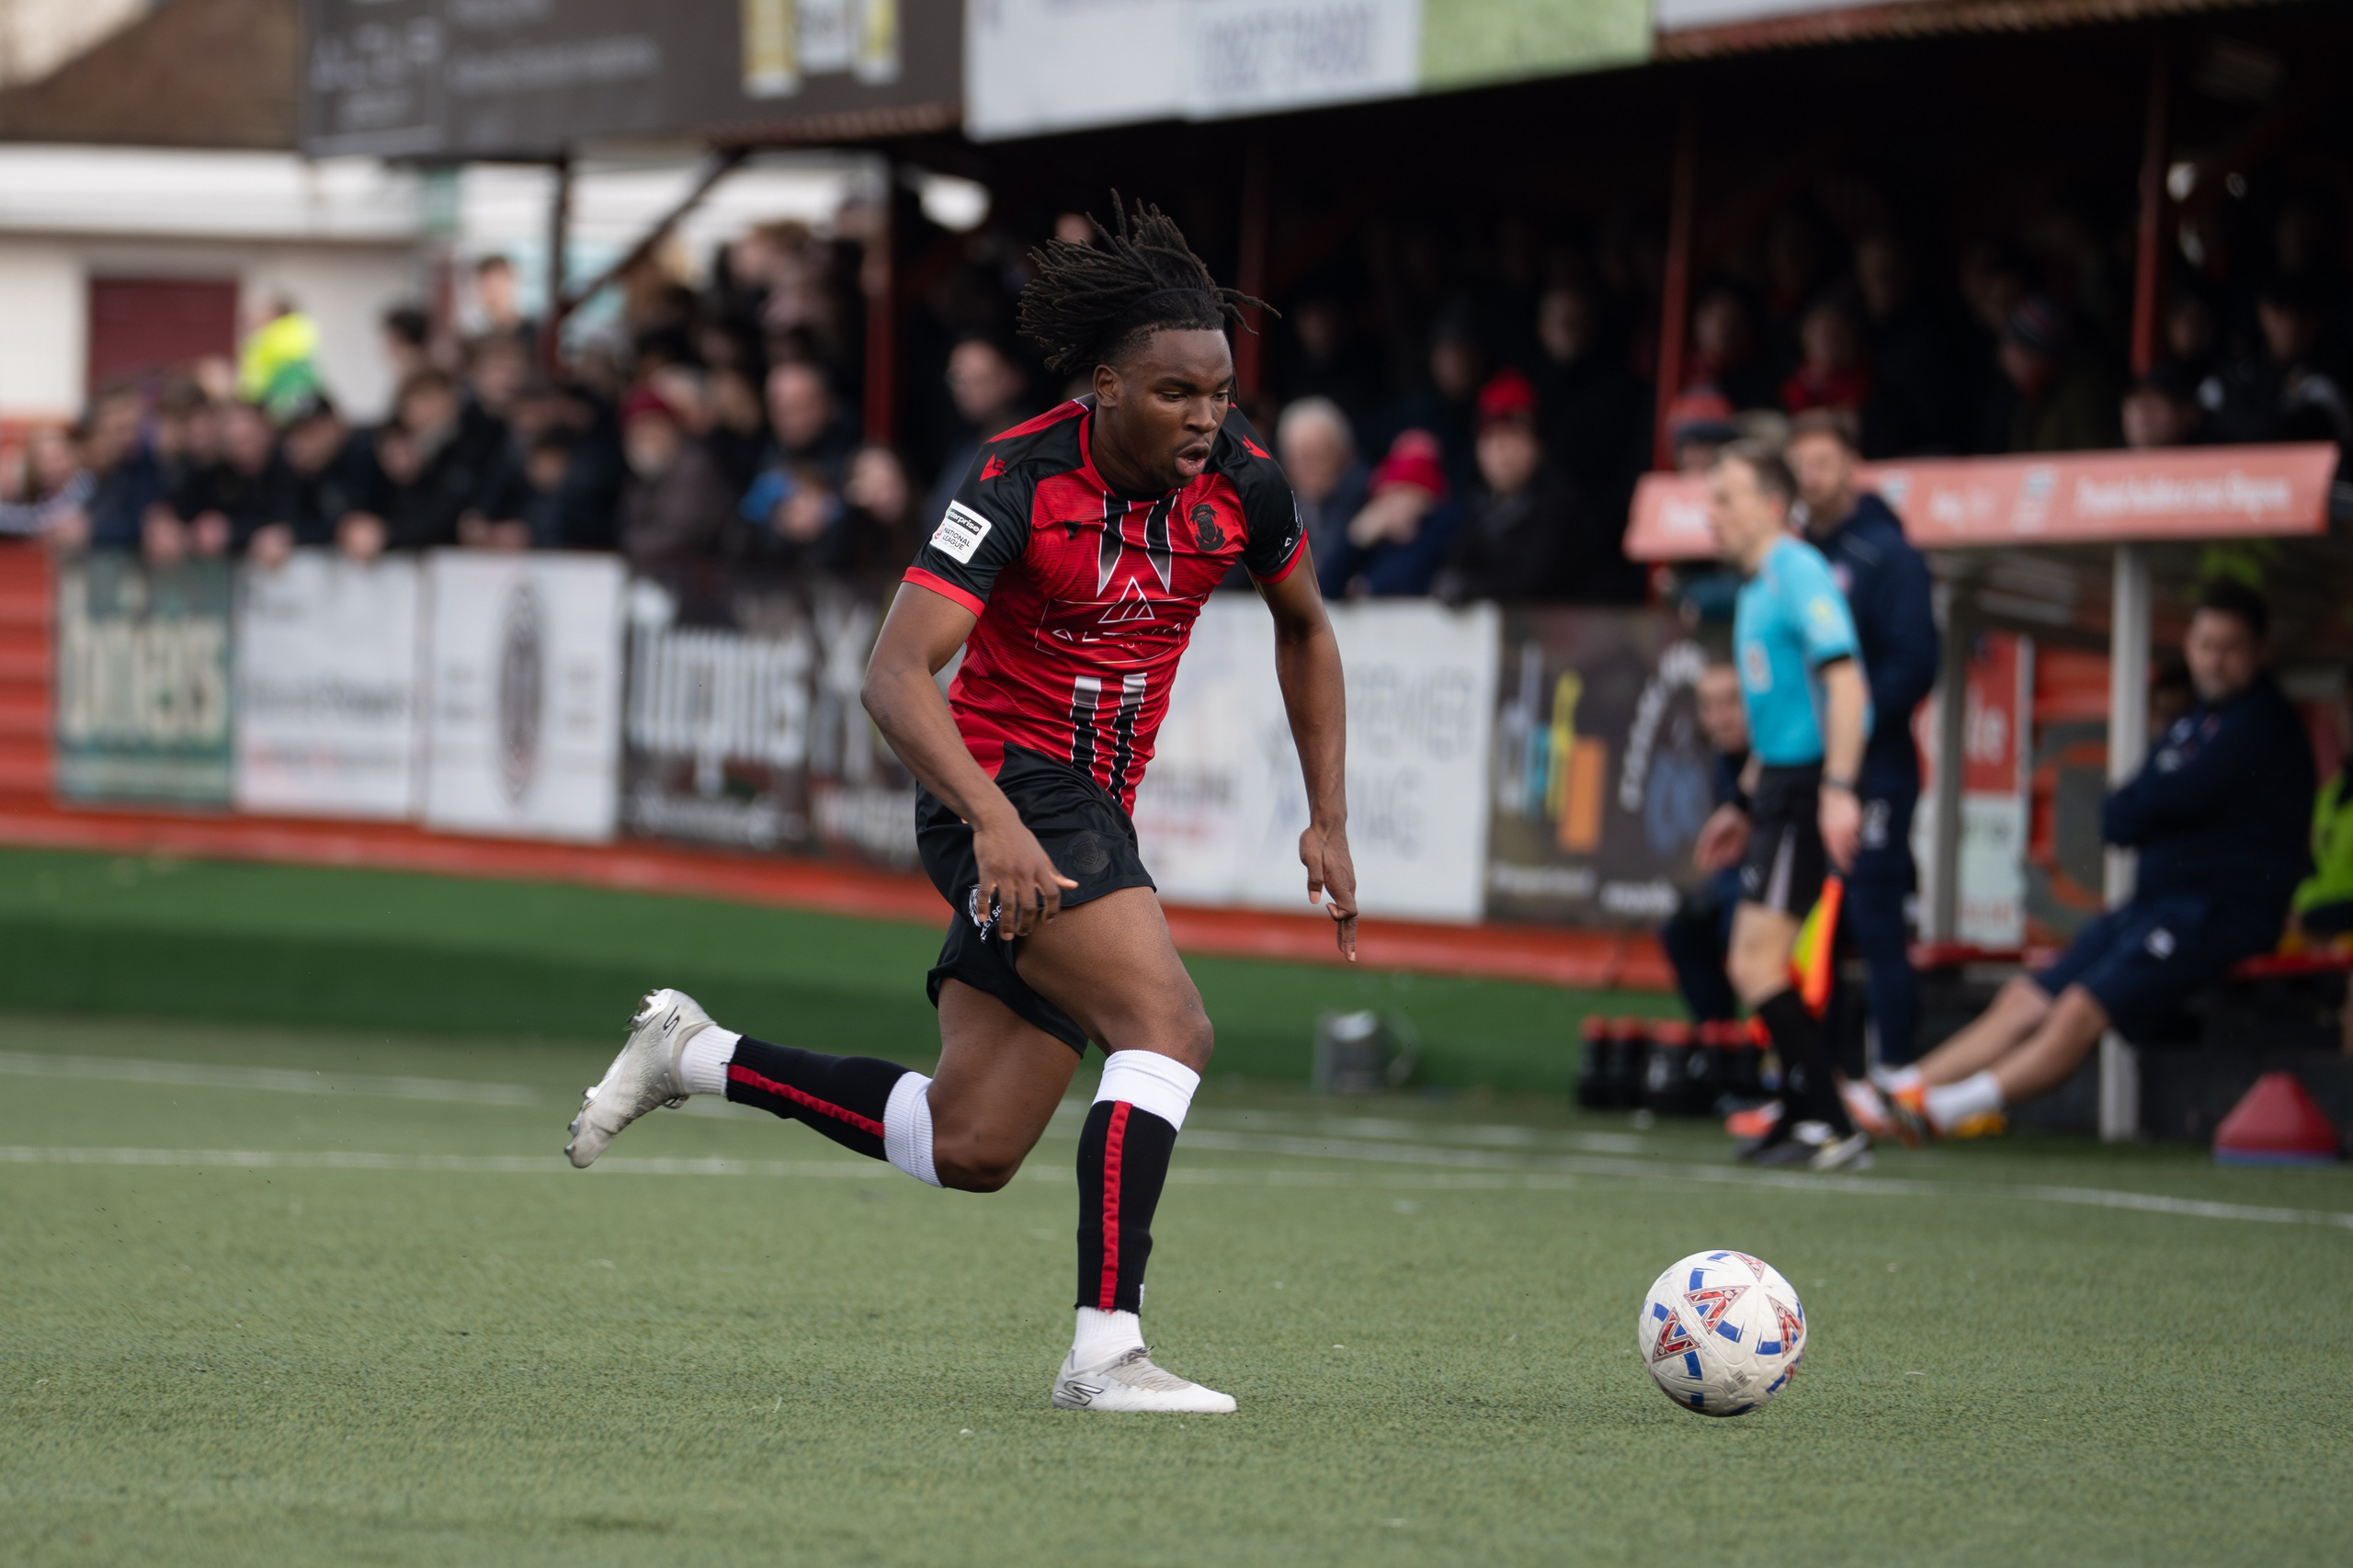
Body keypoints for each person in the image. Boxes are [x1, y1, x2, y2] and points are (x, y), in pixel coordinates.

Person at [563, 199, 1355, 1415]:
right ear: (1102, 385)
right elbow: (894, 673)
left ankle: (693, 1053)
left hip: (1086, 811)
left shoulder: (1244, 484)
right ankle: (1105, 1354)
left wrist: (1328, 813)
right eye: (1173, 393)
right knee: (1170, 1026)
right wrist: (991, 816)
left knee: (971, 1142)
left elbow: (1305, 627)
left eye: (1217, 391)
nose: (1204, 417)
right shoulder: (1019, 475)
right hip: (1000, 787)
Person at [1881, 582, 2314, 1140]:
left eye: (2230, 647)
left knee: (2081, 1007)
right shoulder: (2191, 726)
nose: (2216, 660)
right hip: (2154, 904)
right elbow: (2118, 817)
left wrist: (2162, 797)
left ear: (2262, 651)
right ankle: (1900, 1090)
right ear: (2188, 646)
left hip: (2217, 914)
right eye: (2206, 644)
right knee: (2028, 994)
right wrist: (2165, 796)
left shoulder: (2261, 723)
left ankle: (1944, 1110)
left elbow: (2172, 796)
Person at [1690, 438, 1871, 1170]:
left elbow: (1847, 682)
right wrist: (1741, 800)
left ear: (1771, 504)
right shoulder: (1759, 585)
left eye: (1726, 498)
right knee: (1752, 961)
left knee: (1758, 962)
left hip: (1807, 787)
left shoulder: (1797, 569)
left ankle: (1833, 1124)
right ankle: (1805, 1116)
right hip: (1780, 787)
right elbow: (1781, 707)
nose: (1714, 514)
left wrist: (1838, 789)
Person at [1788, 409, 1938, 1067]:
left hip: (1878, 768)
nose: (1811, 478)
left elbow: (1915, 663)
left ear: (1853, 464)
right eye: (1801, 466)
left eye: (1823, 462)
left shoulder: (1888, 555)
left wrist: (1852, 728)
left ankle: (1893, 1075)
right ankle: (1813, 1074)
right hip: (1805, 770)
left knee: (1875, 916)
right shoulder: (1791, 559)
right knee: (1799, 923)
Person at [1432, 369, 1578, 602]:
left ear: (1536, 444)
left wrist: (1470, 587)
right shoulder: (1480, 505)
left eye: (1512, 436)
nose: (1501, 451)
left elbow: (1532, 584)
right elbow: (1452, 570)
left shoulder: (1557, 503)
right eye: (1490, 439)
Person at [1664, 662, 1753, 1027]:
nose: (1719, 718)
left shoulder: (1785, 752)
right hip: (1744, 877)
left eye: (1731, 702)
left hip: (1803, 885)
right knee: (1682, 928)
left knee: (1743, 924)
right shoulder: (1720, 758)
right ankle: (1722, 1044)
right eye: (1708, 706)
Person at [1315, 429, 1460, 597]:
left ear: (1425, 498)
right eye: (1386, 497)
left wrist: (1367, 584)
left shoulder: (1446, 527)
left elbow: (1407, 580)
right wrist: (1356, 537)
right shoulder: (1379, 539)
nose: (1390, 508)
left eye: (1402, 493)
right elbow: (1324, 588)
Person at [1273, 397, 1369, 585]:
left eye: (1319, 456)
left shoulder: (1364, 496)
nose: (1310, 469)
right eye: (1301, 458)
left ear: (1344, 455)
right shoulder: (1282, 501)